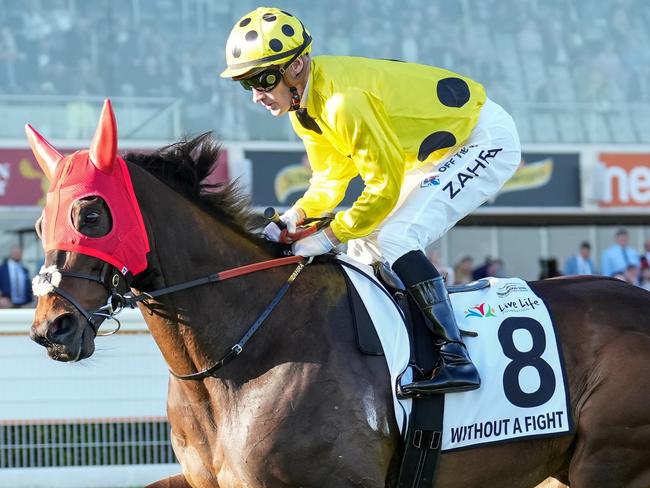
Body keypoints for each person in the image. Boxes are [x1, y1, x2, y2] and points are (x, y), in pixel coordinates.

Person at [221, 7, 521, 396]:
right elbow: (331, 181)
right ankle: (387, 358)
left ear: (296, 65)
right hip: (429, 156)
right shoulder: (304, 109)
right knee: (362, 252)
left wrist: (329, 236)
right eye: (247, 85)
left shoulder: (343, 103)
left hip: (482, 138)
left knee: (397, 238)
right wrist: (293, 217)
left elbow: (383, 187)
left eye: (262, 79)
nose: (257, 95)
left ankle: (455, 358)